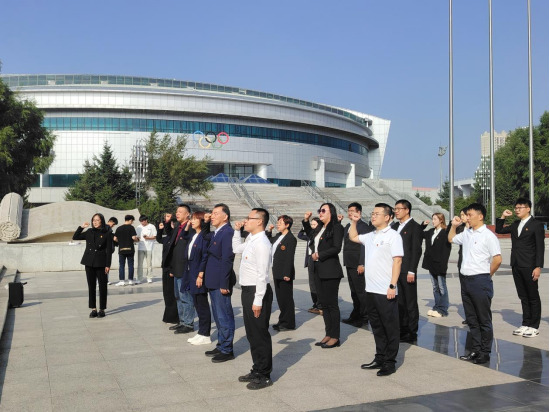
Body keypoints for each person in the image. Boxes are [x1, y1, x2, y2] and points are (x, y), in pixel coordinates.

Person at [348, 203, 403, 376]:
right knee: (377, 326)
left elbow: (397, 261)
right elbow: (353, 237)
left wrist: (392, 285)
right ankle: (379, 357)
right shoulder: (370, 235)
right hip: (370, 289)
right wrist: (354, 222)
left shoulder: (393, 236)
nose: (373, 216)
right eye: (372, 213)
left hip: (386, 290)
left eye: (377, 213)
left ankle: (390, 362)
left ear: (387, 217)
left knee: (390, 327)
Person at [448, 203, 502, 365]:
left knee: (483, 319)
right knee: (471, 318)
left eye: (470, 215)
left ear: (480, 216)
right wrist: (453, 226)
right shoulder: (467, 233)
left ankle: (485, 352)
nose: (467, 217)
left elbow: (497, 259)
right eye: (466, 215)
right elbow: (451, 239)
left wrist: (486, 275)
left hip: (480, 280)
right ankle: (475, 349)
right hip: (465, 280)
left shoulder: (488, 235)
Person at [232, 208, 274, 390]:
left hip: (257, 292)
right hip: (248, 291)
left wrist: (258, 300)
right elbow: (235, 248)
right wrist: (236, 231)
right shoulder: (251, 240)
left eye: (249, 218)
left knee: (260, 334)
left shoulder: (262, 244)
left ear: (259, 221)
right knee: (251, 334)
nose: (245, 221)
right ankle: (257, 369)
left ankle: (264, 375)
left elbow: (262, 274)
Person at [496, 198, 545, 338]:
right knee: (523, 295)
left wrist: (538, 267)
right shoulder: (515, 224)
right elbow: (499, 230)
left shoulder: (536, 225)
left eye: (520, 207)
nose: (517, 210)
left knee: (532, 295)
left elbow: (540, 247)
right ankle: (525, 323)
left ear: (528, 209)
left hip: (529, 265)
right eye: (516, 208)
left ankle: (534, 326)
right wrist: (503, 216)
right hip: (516, 264)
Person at [302, 203, 344, 349]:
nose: (320, 213)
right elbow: (309, 233)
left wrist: (319, 254)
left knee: (332, 304)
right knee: (324, 305)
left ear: (331, 212)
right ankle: (328, 333)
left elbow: (337, 248)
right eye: (319, 210)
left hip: (330, 270)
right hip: (318, 270)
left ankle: (335, 337)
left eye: (323, 210)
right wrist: (306, 221)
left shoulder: (336, 227)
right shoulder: (320, 228)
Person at [204, 203, 236, 363]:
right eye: (212, 213)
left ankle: (227, 349)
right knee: (217, 315)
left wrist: (224, 283)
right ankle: (221, 343)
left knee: (224, 316)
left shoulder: (228, 232)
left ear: (225, 216)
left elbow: (227, 260)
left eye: (216, 213)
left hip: (220, 281)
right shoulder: (218, 232)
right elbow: (204, 237)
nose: (212, 216)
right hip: (213, 280)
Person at [390, 200, 422, 343]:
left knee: (410, 302)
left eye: (399, 209)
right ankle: (402, 328)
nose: (396, 211)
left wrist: (412, 271)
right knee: (400, 301)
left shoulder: (415, 227)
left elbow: (416, 251)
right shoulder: (395, 226)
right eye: (395, 209)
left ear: (407, 210)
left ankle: (411, 331)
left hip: (407, 270)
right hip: (395, 270)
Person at [73, 213, 113, 318]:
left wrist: (108, 265)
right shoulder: (89, 232)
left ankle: (102, 309)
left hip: (101, 262)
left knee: (103, 286)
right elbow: (75, 236)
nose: (95, 222)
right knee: (91, 286)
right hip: (89, 261)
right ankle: (93, 309)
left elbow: (109, 251)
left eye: (97, 220)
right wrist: (81, 227)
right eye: (93, 220)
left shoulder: (107, 233)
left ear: (102, 221)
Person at [182, 211, 213, 345]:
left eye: (195, 219)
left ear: (202, 221)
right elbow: (183, 236)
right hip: (191, 273)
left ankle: (205, 334)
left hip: (198, 274)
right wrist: (187, 225)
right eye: (191, 219)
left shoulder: (204, 236)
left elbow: (205, 256)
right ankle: (201, 332)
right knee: (197, 304)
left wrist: (201, 274)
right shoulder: (194, 235)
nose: (192, 221)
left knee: (202, 305)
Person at [165, 205, 196, 334]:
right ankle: (182, 321)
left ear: (188, 214)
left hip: (185, 268)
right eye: (177, 211)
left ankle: (188, 323)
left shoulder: (191, 228)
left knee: (186, 297)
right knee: (178, 296)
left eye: (180, 212)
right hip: (176, 266)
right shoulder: (178, 226)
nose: (177, 213)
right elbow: (172, 245)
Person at [342, 202, 373, 328]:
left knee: (360, 292)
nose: (350, 213)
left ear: (359, 212)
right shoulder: (348, 226)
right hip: (349, 263)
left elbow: (365, 246)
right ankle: (356, 314)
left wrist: (362, 263)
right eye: (349, 211)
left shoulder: (363, 226)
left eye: (352, 211)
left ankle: (364, 317)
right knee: (354, 292)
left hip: (357, 263)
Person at [268, 215, 297, 331]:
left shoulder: (291, 239)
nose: (278, 224)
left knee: (287, 299)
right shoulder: (278, 236)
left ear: (287, 225)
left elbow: (290, 258)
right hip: (277, 271)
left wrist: (287, 274)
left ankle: (289, 323)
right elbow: (269, 241)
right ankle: (282, 320)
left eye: (280, 223)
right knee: (280, 298)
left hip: (285, 274)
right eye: (278, 222)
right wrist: (269, 231)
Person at [421, 213, 452, 318]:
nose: (433, 221)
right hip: (431, 263)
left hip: (440, 264)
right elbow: (420, 233)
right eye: (432, 219)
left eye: (435, 219)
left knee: (442, 287)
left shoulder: (445, 232)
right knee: (435, 287)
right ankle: (437, 306)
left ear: (441, 220)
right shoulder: (431, 232)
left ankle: (442, 309)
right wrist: (423, 225)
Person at [156, 215, 179, 324]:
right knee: (166, 293)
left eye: (171, 224)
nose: (170, 226)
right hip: (165, 268)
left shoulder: (176, 238)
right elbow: (159, 239)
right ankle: (168, 315)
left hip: (171, 269)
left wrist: (172, 269)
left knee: (171, 293)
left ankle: (173, 316)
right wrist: (160, 230)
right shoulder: (168, 238)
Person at [297, 217, 323, 314]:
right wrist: (305, 227)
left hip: (318, 259)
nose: (312, 226)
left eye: (314, 224)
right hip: (310, 259)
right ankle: (315, 303)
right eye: (311, 224)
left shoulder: (321, 235)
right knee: (312, 283)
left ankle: (320, 304)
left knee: (318, 283)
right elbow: (300, 235)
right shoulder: (309, 235)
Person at [113, 215, 139, 286]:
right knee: (130, 265)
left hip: (121, 249)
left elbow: (115, 239)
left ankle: (122, 281)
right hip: (130, 249)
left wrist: (120, 242)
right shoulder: (131, 227)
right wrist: (137, 239)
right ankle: (130, 280)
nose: (132, 222)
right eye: (132, 221)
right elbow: (133, 237)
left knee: (121, 265)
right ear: (130, 220)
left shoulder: (119, 228)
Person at [136, 215, 157, 284]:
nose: (142, 223)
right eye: (140, 221)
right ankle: (139, 278)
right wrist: (137, 239)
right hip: (140, 247)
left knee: (149, 264)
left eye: (143, 221)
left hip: (149, 247)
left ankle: (149, 277)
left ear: (146, 220)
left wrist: (148, 238)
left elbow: (155, 236)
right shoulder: (138, 227)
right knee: (140, 264)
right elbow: (137, 237)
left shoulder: (152, 226)